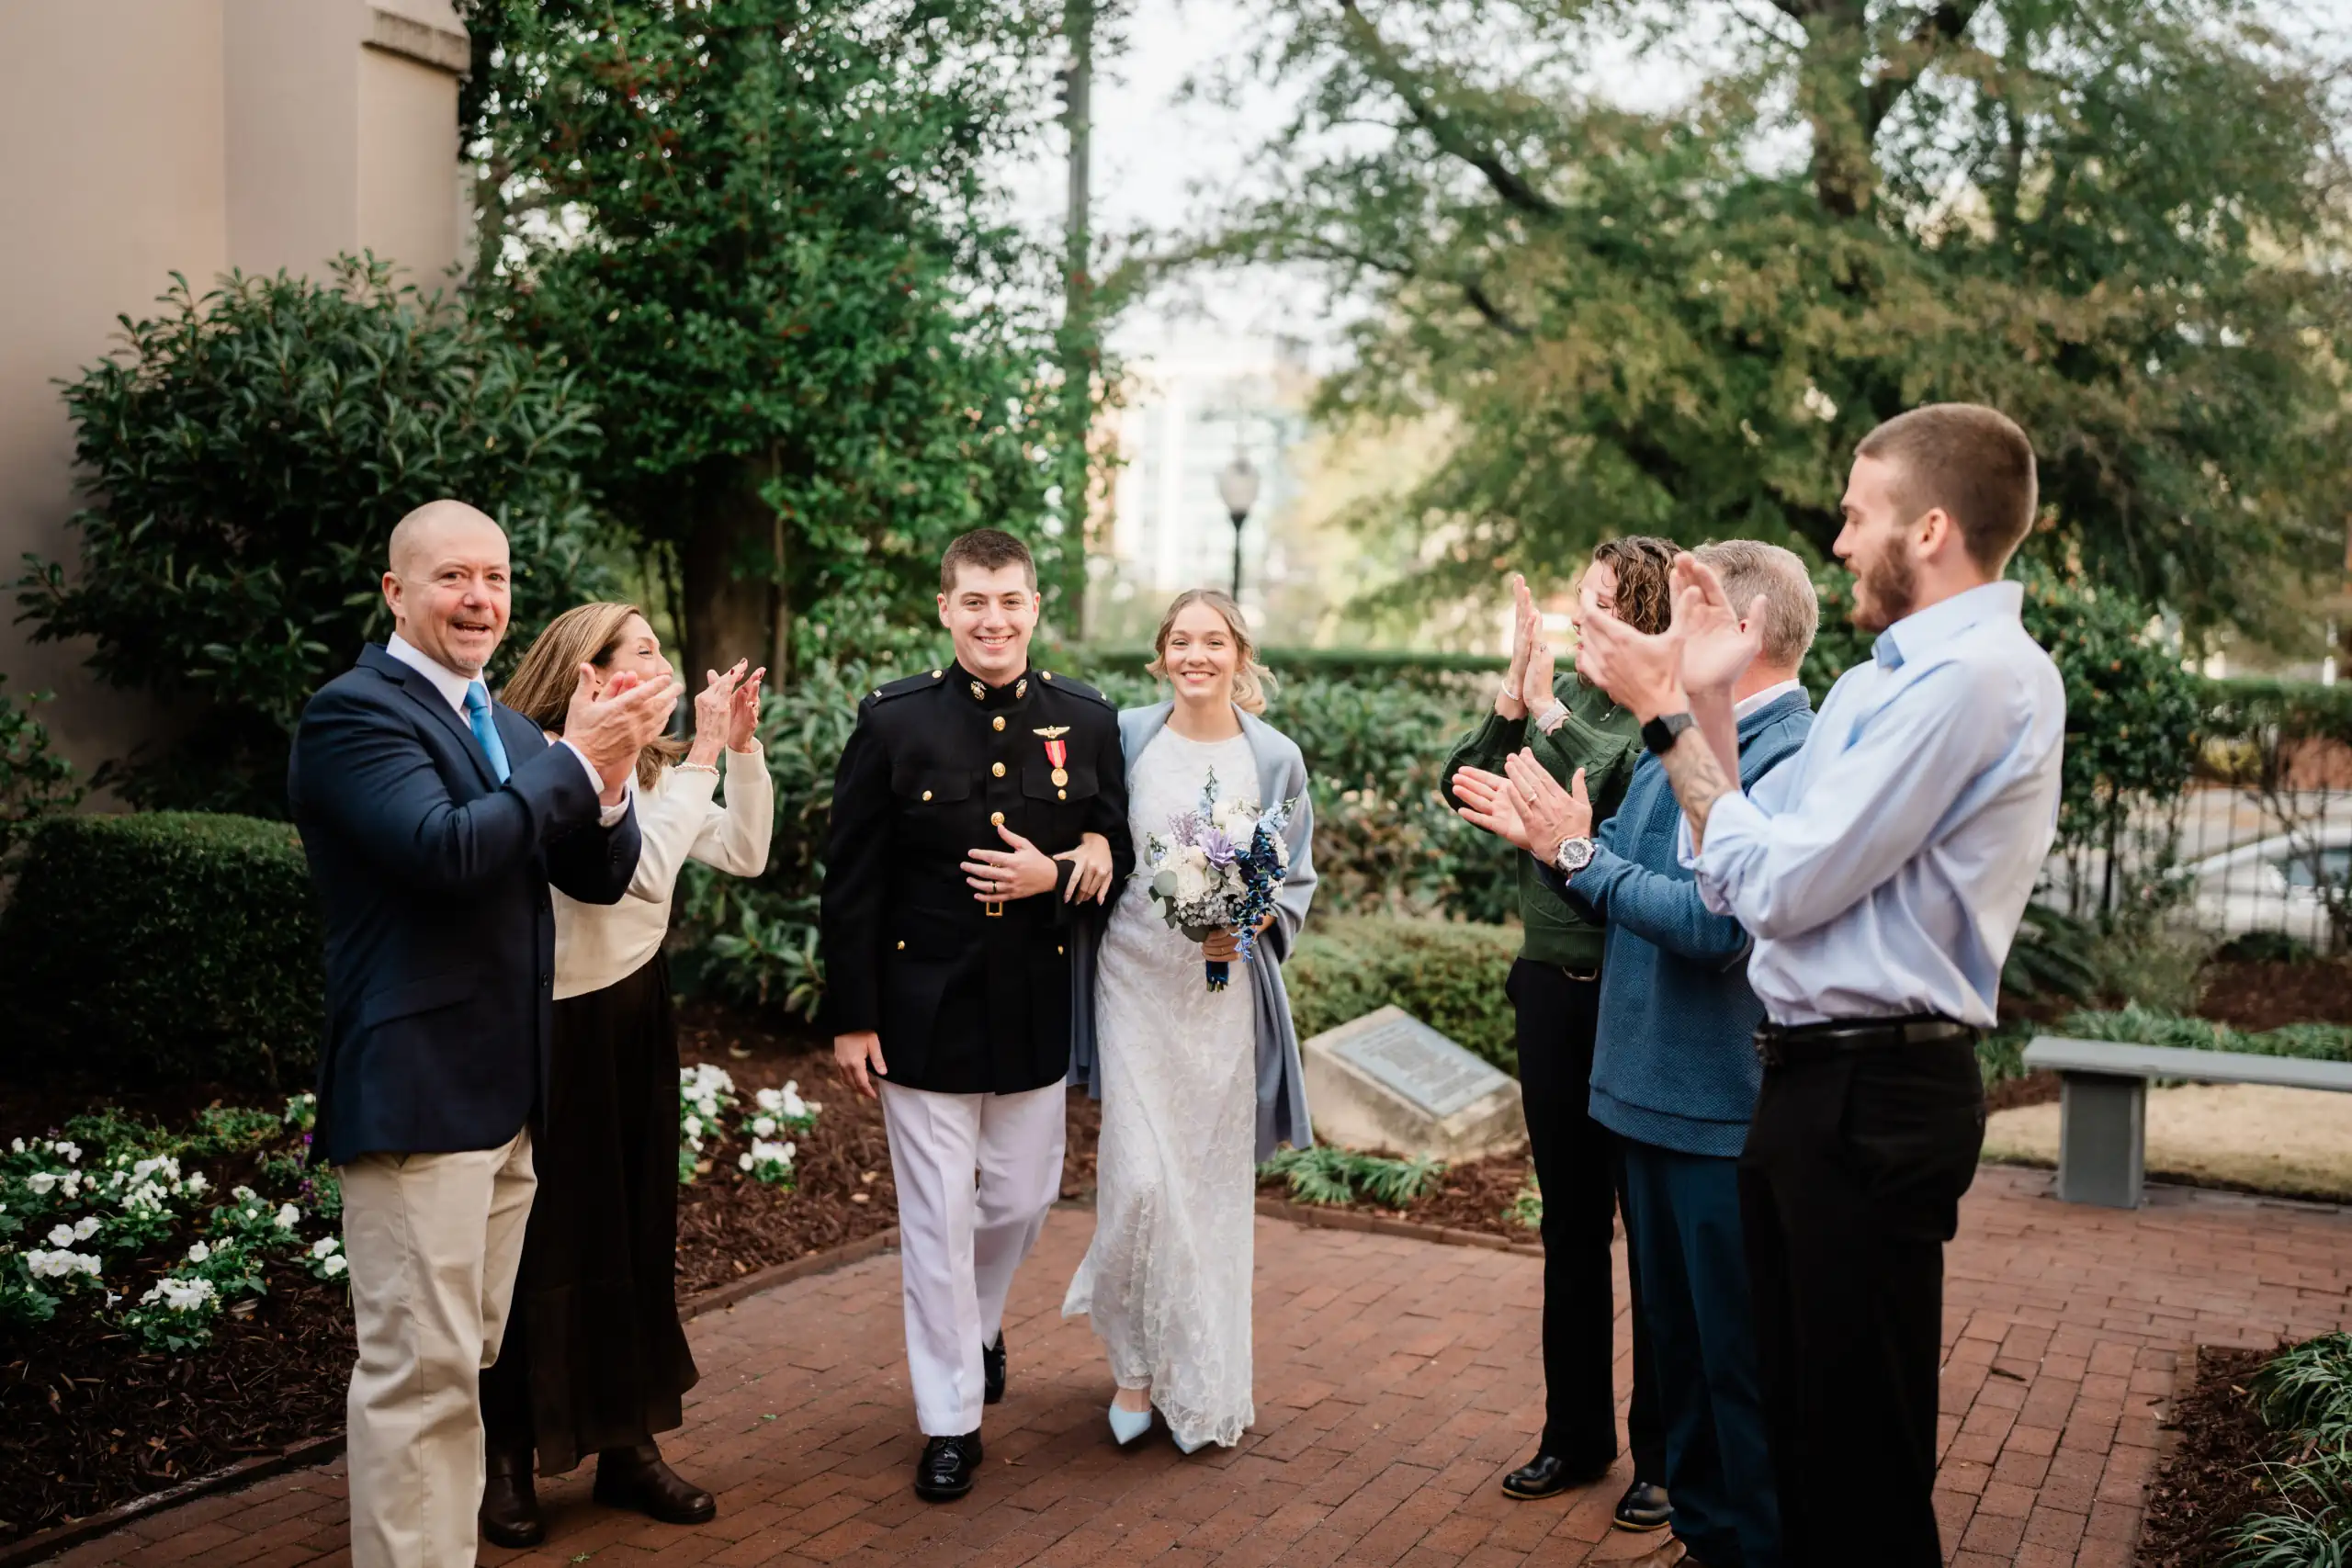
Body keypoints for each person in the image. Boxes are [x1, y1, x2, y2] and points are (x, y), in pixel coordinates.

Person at [1574, 405, 2065, 1566]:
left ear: (1930, 526)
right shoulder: (1871, 688)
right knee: (1791, 1441)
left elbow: (1779, 890)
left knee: (1856, 1467)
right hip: (1805, 1089)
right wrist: (1700, 699)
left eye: (1856, 515)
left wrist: (1658, 717)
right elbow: (1733, 870)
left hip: (1879, 1090)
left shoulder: (1981, 680)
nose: (1839, 541)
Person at [288, 501, 675, 1568]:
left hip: (509, 1101)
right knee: (418, 1378)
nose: (480, 599)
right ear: (395, 593)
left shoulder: (501, 726)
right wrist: (574, 757)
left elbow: (596, 873)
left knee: (458, 1365)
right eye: (453, 577)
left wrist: (603, 774)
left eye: (496, 579)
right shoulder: (353, 716)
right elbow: (446, 852)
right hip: (419, 1094)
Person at [1456, 539, 1819, 1568]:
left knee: (1729, 1372)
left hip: (1711, 1106)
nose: (1662, 638)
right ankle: (1703, 1537)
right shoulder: (1696, 740)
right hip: (1645, 1092)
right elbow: (1635, 868)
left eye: (1684, 618)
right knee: (1687, 1361)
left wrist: (1575, 853)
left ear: (1738, 633)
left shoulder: (1781, 751)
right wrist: (1569, 840)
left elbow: (1717, 925)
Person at [819, 528, 1131, 1502]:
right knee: (934, 1223)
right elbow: (852, 880)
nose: (993, 620)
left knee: (1022, 1199)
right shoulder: (893, 722)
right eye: (974, 603)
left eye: (1010, 602)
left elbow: (1112, 843)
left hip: (1033, 1004)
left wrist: (1061, 871)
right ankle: (949, 1420)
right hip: (921, 1010)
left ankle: (981, 1323)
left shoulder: (1085, 718)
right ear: (945, 610)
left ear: (1033, 608)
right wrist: (852, 1016)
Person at [475, 604, 774, 1546]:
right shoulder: (546, 767)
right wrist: (698, 761)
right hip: (549, 1028)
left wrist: (743, 752)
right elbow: (637, 876)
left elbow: (747, 851)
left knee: (635, 1233)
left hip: (636, 1017)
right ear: (588, 670)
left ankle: (628, 1449)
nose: (661, 662)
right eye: (641, 650)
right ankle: (507, 1457)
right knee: (536, 1246)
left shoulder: (653, 771)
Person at [1441, 540, 1673, 1527]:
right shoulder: (1562, 696)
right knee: (1571, 1225)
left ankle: (1666, 1457)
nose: (1579, 623)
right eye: (1578, 604)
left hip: (1631, 996)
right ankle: (1574, 1437)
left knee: (1653, 1234)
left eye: (1598, 606)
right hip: (1548, 992)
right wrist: (1508, 698)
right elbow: (1462, 786)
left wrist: (1544, 711)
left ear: (1644, 616)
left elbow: (1607, 806)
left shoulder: (1659, 715)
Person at [1064, 589, 1317, 1453]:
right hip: (1131, 979)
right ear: (1160, 654)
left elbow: (1295, 875)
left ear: (1240, 655)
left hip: (1219, 1002)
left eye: (1214, 641)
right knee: (1137, 1179)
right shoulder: (1126, 734)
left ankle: (1196, 1375)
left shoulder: (1275, 757)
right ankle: (1133, 1366)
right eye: (1181, 640)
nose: (1196, 654)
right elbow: (1095, 829)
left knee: (1205, 1190)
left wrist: (1249, 920)